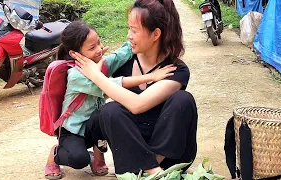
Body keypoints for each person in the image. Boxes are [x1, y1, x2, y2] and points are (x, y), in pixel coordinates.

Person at [71, 0, 198, 176]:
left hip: (169, 158)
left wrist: (96, 76)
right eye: (129, 29)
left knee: (183, 99)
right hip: (132, 151)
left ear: (155, 34)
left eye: (135, 30)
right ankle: (149, 170)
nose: (129, 35)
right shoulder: (123, 64)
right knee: (109, 110)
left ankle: (150, 169)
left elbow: (138, 104)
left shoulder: (176, 70)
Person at [44, 20, 177, 179]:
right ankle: (56, 152)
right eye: (92, 48)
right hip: (73, 131)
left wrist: (141, 35)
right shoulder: (76, 76)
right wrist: (150, 77)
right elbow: (112, 84)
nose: (99, 49)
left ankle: (98, 157)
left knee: (106, 114)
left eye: (99, 43)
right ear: (74, 54)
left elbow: (121, 54)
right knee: (78, 159)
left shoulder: (101, 63)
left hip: (93, 125)